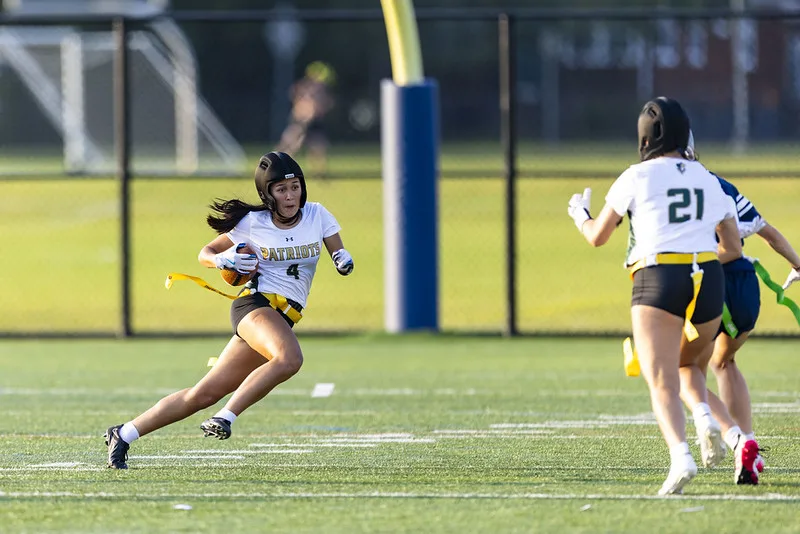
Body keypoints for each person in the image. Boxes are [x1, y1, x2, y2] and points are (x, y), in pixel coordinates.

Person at [104, 151, 354, 469]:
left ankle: (123, 434)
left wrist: (342, 259)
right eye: (281, 189)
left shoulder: (317, 214)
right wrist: (223, 260)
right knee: (290, 359)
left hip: (284, 317)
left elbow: (337, 248)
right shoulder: (253, 222)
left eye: (295, 187)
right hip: (256, 306)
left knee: (203, 394)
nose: (291, 195)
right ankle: (225, 417)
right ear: (267, 193)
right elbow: (205, 253)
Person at [567, 97, 744, 495]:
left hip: (658, 275)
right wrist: (696, 254)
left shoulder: (636, 176)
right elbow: (731, 245)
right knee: (691, 369)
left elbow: (598, 237)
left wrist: (580, 213)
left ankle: (681, 456)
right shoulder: (706, 177)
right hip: (708, 278)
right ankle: (703, 416)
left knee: (661, 378)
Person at [681, 131, 800, 484]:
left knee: (687, 368)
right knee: (725, 360)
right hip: (746, 285)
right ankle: (747, 450)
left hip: (708, 282)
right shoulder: (723, 186)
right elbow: (771, 234)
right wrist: (797, 264)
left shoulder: (670, 185)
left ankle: (733, 439)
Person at [276, 61, 336, 177]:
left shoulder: (322, 91)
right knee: (290, 146)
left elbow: (327, 104)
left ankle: (319, 173)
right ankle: (274, 167)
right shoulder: (305, 87)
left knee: (318, 147)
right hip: (301, 121)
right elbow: (295, 96)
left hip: (314, 121)